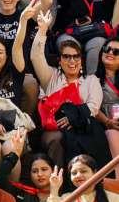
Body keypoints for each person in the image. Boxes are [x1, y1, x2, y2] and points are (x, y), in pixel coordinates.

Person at [30, 10, 111, 168]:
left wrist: (73, 118)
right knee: (58, 138)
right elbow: (36, 57)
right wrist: (42, 30)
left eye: (76, 56)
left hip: (84, 130)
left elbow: (93, 107)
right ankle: (57, 181)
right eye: (66, 56)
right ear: (59, 60)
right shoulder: (51, 77)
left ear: (81, 60)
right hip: (55, 130)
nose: (72, 61)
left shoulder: (91, 81)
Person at [95, 38, 119, 178]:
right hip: (105, 126)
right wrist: (107, 122)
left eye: (116, 51)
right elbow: (92, 107)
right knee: (112, 134)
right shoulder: (92, 79)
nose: (110, 53)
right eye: (107, 49)